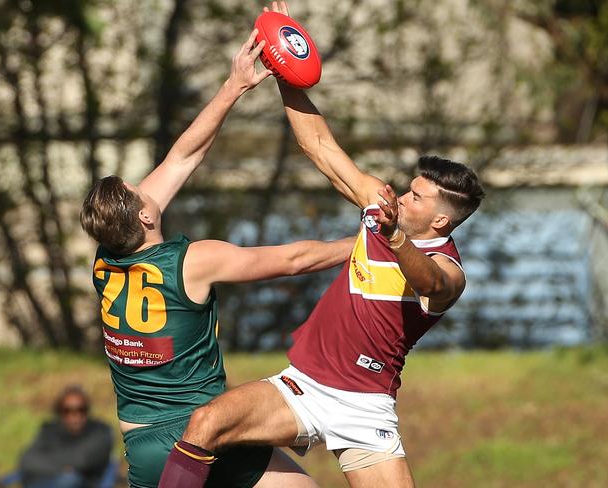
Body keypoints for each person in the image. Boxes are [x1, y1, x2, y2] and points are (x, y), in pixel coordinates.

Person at [158, 3, 486, 488]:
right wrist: (284, 59)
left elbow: (430, 280)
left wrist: (392, 235)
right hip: (304, 385)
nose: (402, 194)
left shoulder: (448, 269)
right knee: (206, 424)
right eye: (408, 187)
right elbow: (319, 146)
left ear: (440, 218)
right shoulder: (381, 201)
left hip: (365, 408)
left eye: (416, 196)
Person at [80, 27, 363, 488]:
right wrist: (364, 243)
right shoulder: (193, 262)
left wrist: (234, 86)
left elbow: (184, 156)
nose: (145, 185)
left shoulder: (106, 255)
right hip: (201, 431)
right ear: (147, 216)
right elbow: (293, 260)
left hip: (141, 439)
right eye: (138, 190)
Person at [18, 385, 113, 488]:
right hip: (48, 481)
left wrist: (49, 459)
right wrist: (63, 468)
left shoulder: (100, 431)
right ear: (59, 412)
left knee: (69, 480)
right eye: (67, 410)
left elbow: (82, 459)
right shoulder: (49, 430)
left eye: (81, 409)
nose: (75, 416)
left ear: (87, 410)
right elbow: (27, 460)